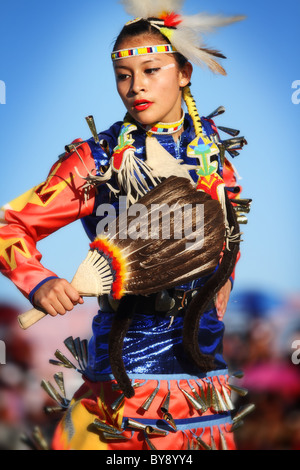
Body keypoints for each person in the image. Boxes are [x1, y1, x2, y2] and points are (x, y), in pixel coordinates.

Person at [0, 0, 250, 451]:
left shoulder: (214, 152)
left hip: (202, 383)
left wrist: (219, 288)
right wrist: (39, 283)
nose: (136, 86)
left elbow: (227, 232)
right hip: (121, 383)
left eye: (152, 69)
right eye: (124, 75)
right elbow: (8, 225)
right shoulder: (95, 161)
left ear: (184, 72)